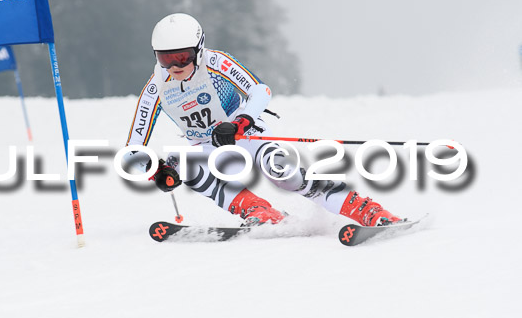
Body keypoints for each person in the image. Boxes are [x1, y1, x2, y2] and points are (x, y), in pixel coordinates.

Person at [122, 13, 404, 227]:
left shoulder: (216, 63)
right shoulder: (155, 87)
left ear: (199, 49)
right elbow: (132, 150)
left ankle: (366, 210)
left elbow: (260, 90)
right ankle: (257, 210)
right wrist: (155, 170)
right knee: (181, 164)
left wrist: (240, 122)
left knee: (281, 173)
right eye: (164, 59)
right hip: (205, 146)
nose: (174, 67)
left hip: (245, 135)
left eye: (182, 58)